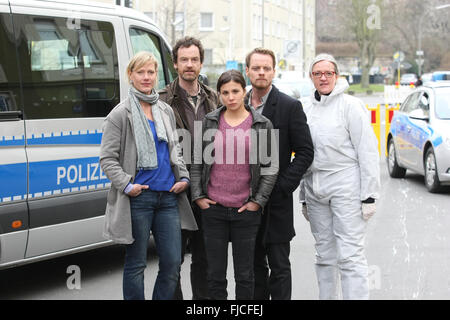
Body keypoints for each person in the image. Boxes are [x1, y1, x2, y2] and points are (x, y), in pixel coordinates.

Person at [99, 51, 197, 300]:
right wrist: (127, 186)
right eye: (140, 72)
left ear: (156, 75)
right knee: (136, 264)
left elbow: (175, 150)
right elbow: (107, 159)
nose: (146, 77)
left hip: (168, 198)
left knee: (173, 262)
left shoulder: (164, 109)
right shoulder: (120, 114)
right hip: (138, 199)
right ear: (130, 75)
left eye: (150, 72)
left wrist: (184, 178)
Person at [190, 70, 279, 300]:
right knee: (215, 276)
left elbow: (270, 168)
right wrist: (199, 196)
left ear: (245, 91)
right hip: (214, 210)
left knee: (245, 275)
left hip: (245, 212)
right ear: (219, 94)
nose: (231, 97)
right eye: (225, 92)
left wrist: (257, 202)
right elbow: (197, 162)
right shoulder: (209, 121)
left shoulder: (261, 123)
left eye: (235, 91)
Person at [299, 53, 380, 300]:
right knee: (324, 254)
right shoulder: (305, 108)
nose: (323, 78)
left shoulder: (350, 107)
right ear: (311, 77)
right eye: (317, 73)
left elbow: (367, 151)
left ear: (337, 76)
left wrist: (369, 195)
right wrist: (304, 195)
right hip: (315, 186)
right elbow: (304, 153)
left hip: (346, 185)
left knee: (350, 253)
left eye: (328, 73)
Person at [244, 48, 314, 300]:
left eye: (266, 68)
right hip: (243, 201)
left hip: (276, 202)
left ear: (274, 71)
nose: (261, 72)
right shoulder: (235, 104)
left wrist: (283, 185)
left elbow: (305, 152)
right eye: (256, 68)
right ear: (248, 71)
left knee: (279, 266)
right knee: (253, 267)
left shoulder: (289, 106)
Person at [159, 36, 219, 300]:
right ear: (175, 64)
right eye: (184, 59)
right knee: (172, 262)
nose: (189, 64)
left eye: (194, 59)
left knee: (205, 261)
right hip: (176, 191)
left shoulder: (216, 98)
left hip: (209, 191)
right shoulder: (160, 100)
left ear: (201, 63)